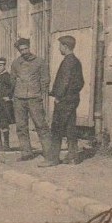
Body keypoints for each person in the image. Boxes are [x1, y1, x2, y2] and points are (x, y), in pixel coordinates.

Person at [41, 36, 85, 167]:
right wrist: (72, 93)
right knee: (70, 128)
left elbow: (64, 81)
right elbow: (81, 82)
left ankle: (52, 159)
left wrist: (58, 96)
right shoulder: (76, 61)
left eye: (60, 46)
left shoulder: (68, 61)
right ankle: (73, 157)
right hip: (72, 99)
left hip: (64, 100)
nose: (59, 48)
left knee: (56, 129)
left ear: (65, 46)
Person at [10, 37, 51, 162]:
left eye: (25, 48)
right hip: (19, 98)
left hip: (34, 98)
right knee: (21, 126)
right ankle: (26, 152)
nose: (24, 52)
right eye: (21, 50)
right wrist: (14, 95)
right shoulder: (16, 63)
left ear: (29, 47)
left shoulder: (40, 62)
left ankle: (49, 152)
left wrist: (40, 94)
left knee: (41, 125)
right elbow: (12, 80)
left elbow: (45, 79)